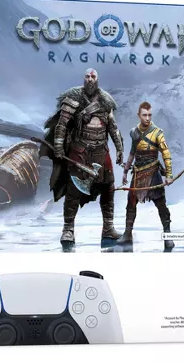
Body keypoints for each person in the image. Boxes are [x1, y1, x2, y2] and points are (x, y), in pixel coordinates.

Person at [42, 68, 124, 249]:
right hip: (80, 150)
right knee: (73, 190)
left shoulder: (106, 100)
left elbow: (113, 127)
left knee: (108, 187)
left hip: (101, 151)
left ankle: (108, 228)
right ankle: (68, 229)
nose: (90, 79)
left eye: (93, 76)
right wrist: (58, 146)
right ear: (84, 79)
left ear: (97, 79)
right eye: (87, 76)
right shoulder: (73, 97)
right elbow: (62, 125)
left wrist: (119, 149)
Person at [120, 101, 174, 251]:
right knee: (131, 204)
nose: (148, 118)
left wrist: (169, 174)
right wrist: (125, 171)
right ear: (139, 115)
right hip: (138, 173)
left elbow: (165, 153)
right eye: (144, 115)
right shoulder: (134, 132)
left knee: (161, 205)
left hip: (153, 172)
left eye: (150, 115)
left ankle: (168, 237)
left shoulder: (157, 133)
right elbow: (132, 153)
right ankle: (127, 234)